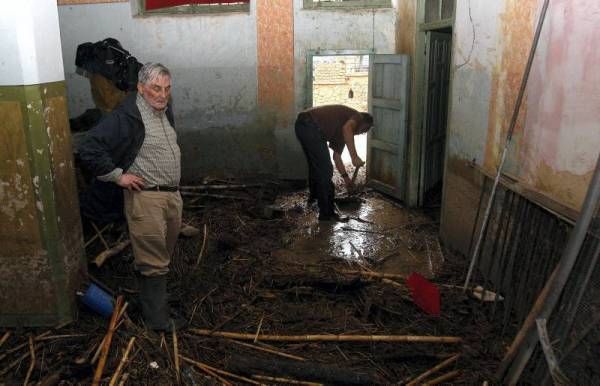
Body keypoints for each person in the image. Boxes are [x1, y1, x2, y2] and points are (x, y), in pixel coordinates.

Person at [79, 62, 183, 331]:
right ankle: (158, 322)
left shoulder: (164, 111)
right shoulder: (127, 115)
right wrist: (117, 176)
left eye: (167, 89)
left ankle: (151, 304)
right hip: (146, 197)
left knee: (161, 256)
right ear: (140, 87)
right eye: (156, 88)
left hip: (171, 195)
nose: (162, 94)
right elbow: (89, 146)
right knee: (153, 261)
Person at [295, 104, 373, 222]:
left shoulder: (341, 132)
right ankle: (327, 214)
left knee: (315, 165)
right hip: (310, 125)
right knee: (325, 170)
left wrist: (347, 181)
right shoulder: (357, 116)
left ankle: (315, 198)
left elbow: (337, 158)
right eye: (363, 130)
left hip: (301, 125)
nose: (360, 133)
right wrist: (354, 156)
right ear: (364, 123)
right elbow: (348, 128)